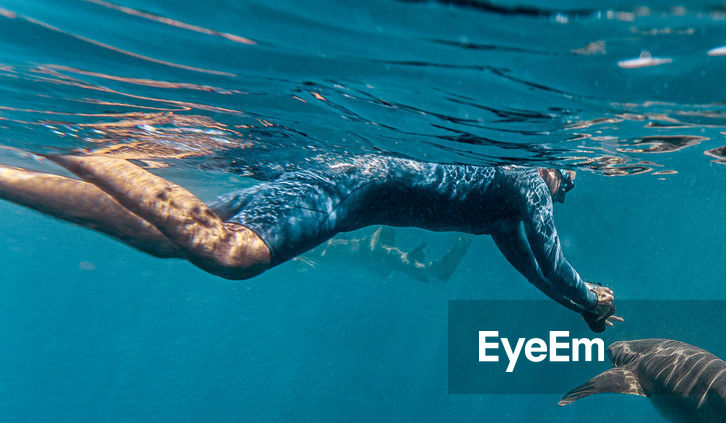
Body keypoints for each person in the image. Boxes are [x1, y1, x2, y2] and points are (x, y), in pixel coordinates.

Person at [0, 154, 620, 331]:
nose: (560, 196)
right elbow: (555, 255)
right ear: (558, 174)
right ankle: (87, 151)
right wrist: (588, 295)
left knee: (170, 240)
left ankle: (12, 178)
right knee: (230, 253)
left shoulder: (501, 210)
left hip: (339, 193)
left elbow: (538, 266)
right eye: (566, 184)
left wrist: (576, 304)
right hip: (344, 188)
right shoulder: (527, 184)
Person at [295, 227, 473, 284]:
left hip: (369, 255)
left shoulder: (306, 248)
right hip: (370, 257)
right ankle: (437, 269)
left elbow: (306, 268)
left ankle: (438, 269)